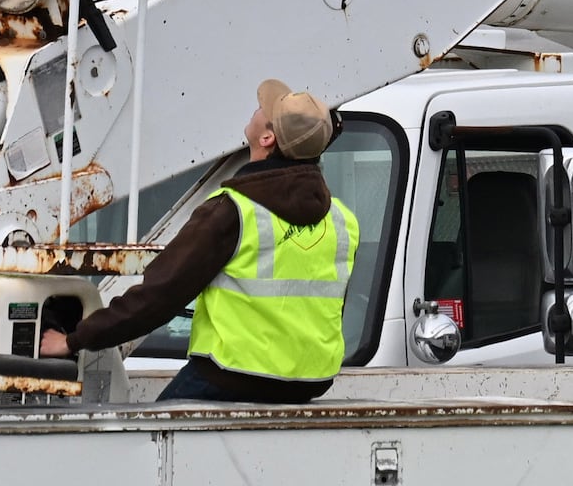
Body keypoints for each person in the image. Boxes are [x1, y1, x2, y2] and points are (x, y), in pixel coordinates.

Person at [39, 77, 361, 401]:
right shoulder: (343, 221)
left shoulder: (232, 211)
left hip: (233, 376)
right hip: (312, 382)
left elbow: (159, 296)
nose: (257, 107)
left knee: (146, 443)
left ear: (267, 138)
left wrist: (72, 341)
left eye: (264, 109)